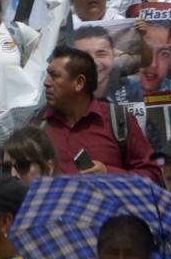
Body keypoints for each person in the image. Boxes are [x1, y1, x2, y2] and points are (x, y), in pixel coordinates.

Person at [39, 47, 159, 181]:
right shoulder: (39, 126)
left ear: (79, 83)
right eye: (48, 75)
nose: (46, 82)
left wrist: (109, 174)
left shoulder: (118, 120)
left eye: (55, 76)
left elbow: (153, 174)